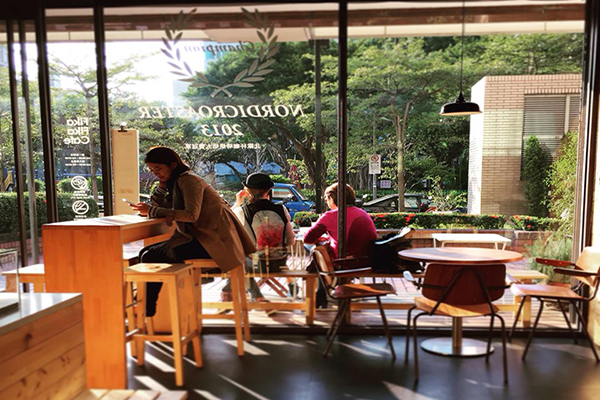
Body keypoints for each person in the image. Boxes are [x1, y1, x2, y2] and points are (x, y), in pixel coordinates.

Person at [130, 146, 256, 317]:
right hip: (206, 238)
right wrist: (160, 187)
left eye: (158, 169)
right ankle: (144, 305)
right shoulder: (177, 182)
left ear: (173, 164)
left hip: (216, 243)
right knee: (145, 253)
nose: (155, 173)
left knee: (150, 255)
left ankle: (145, 307)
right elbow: (162, 206)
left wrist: (152, 211)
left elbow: (190, 215)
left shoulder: (188, 180)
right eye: (152, 170)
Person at [222, 173, 296, 302]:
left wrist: (238, 203)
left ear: (247, 191)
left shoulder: (242, 211)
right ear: (269, 190)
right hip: (279, 263)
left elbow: (226, 222)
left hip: (255, 265)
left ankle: (251, 296)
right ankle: (292, 288)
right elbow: (290, 240)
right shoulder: (281, 209)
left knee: (238, 263)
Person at [303, 182, 377, 308]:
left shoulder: (331, 215)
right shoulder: (362, 213)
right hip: (368, 261)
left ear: (332, 198)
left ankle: (321, 295)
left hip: (345, 262)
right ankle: (322, 294)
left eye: (327, 199)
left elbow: (308, 239)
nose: (326, 202)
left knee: (316, 250)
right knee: (321, 250)